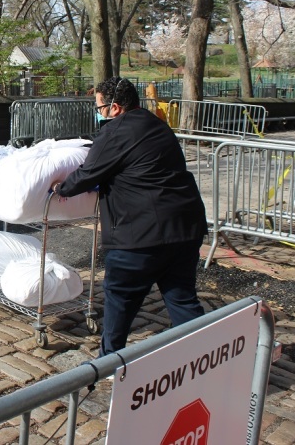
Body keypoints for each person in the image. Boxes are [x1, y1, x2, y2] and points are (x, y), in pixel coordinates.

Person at [51, 76, 206, 356]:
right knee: (181, 299)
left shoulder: (114, 132)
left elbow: (87, 174)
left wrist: (61, 187)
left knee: (120, 301)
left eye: (99, 108)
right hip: (185, 228)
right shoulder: (157, 125)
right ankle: (207, 358)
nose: (98, 114)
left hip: (140, 235)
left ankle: (110, 362)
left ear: (115, 108)